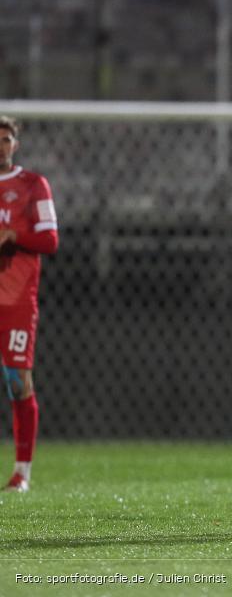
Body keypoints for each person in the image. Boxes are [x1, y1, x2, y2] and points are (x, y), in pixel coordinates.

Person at [0, 116, 59, 492]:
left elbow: (50, 240)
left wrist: (13, 235)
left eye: (6, 139)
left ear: (15, 144)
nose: (0, 146)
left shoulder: (33, 185)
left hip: (16, 301)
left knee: (18, 383)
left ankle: (22, 473)